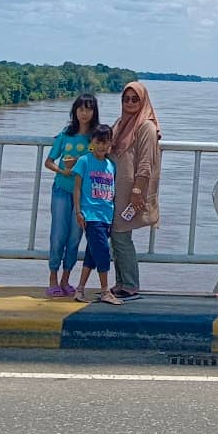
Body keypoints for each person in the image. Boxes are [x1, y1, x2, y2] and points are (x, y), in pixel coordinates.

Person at [108, 80, 162, 299]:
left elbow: (146, 163)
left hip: (130, 191)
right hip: (113, 188)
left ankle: (130, 284)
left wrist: (137, 191)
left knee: (120, 235)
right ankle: (121, 282)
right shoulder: (120, 124)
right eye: (126, 99)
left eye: (135, 99)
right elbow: (102, 145)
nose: (130, 103)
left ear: (143, 101)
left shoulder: (146, 126)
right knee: (115, 234)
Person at [43, 94, 98, 297]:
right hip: (61, 190)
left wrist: (81, 162)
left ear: (94, 112)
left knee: (75, 237)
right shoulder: (66, 134)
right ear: (75, 111)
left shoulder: (94, 138)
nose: (84, 113)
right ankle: (52, 279)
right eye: (81, 109)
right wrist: (63, 171)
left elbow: (98, 160)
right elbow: (49, 161)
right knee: (58, 234)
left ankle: (66, 279)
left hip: (83, 194)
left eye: (89, 109)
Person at [71, 126, 121, 304]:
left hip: (106, 216)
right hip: (90, 215)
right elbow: (76, 188)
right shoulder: (84, 161)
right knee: (103, 252)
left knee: (91, 255)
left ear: (110, 143)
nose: (101, 146)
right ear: (92, 142)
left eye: (105, 142)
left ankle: (80, 289)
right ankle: (105, 291)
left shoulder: (110, 165)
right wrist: (78, 211)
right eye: (98, 142)